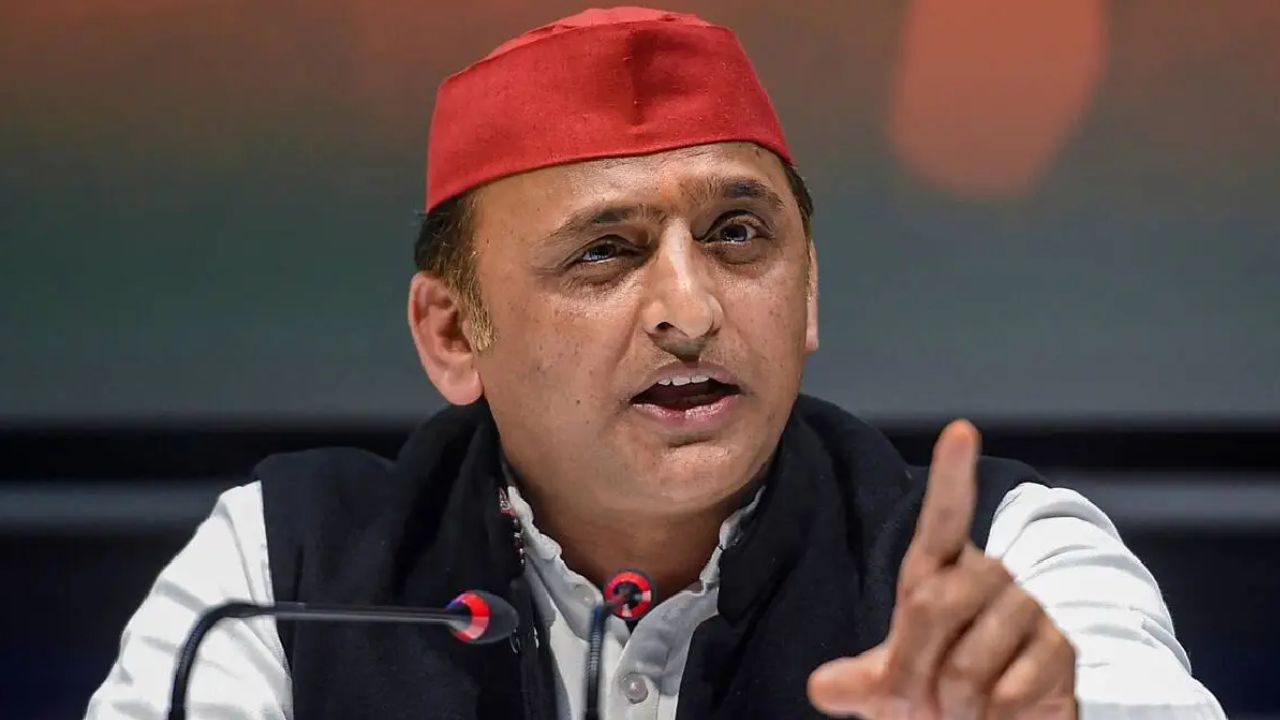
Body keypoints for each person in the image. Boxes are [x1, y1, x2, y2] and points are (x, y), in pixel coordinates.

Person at [86, 7, 1224, 720]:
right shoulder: (282, 566)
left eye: (738, 235)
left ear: (807, 293)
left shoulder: (1007, 557)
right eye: (605, 252)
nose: (690, 308)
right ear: (451, 334)